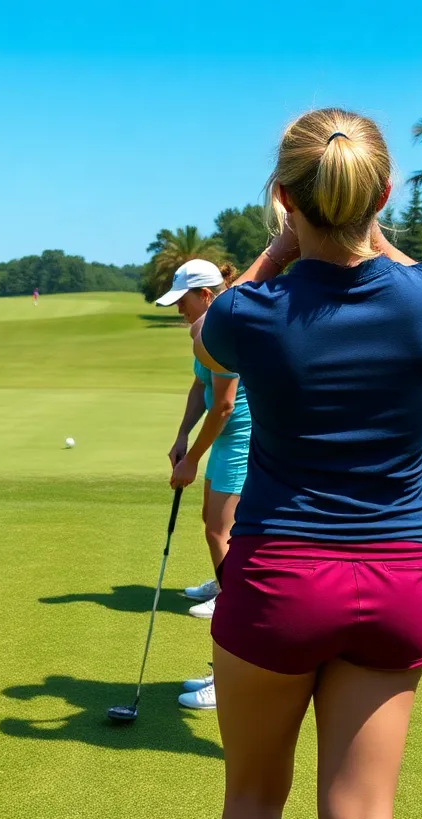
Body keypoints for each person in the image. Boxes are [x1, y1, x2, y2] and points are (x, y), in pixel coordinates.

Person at [194, 108, 422, 819]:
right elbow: (400, 270)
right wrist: (367, 229)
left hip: (280, 575)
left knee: (253, 798)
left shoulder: (251, 310)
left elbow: (209, 334)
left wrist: (280, 249)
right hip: (396, 580)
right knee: (362, 815)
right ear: (381, 196)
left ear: (283, 196)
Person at [155, 259, 252, 711]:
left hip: (240, 439)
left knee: (221, 531)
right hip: (223, 441)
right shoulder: (205, 331)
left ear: (207, 295)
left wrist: (192, 459)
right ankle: (227, 592)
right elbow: (202, 390)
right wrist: (181, 436)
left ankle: (232, 669)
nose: (180, 311)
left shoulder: (224, 328)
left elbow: (226, 405)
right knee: (213, 525)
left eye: (184, 301)